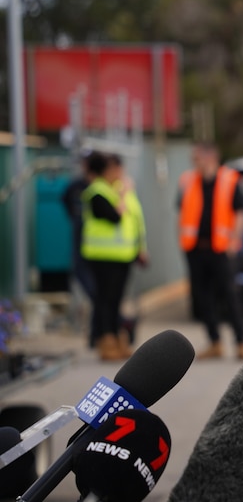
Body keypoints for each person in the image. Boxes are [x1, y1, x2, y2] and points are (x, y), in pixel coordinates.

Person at [177, 141, 243, 360]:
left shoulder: (229, 180)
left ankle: (241, 343)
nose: (194, 162)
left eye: (197, 157)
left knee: (231, 296)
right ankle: (214, 342)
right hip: (195, 249)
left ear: (210, 156)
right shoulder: (188, 180)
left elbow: (240, 213)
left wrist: (233, 241)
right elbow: (181, 212)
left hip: (221, 249)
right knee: (202, 297)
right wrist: (181, 242)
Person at [80, 152, 148, 361]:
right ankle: (105, 340)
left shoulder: (122, 191)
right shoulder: (97, 192)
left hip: (123, 256)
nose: (118, 174)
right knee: (105, 300)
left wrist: (141, 249)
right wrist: (122, 194)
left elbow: (136, 221)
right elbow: (115, 217)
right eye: (113, 170)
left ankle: (119, 340)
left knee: (116, 300)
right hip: (102, 257)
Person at [61, 150, 98, 346]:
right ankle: (98, 335)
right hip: (83, 245)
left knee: (98, 294)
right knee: (94, 292)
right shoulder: (77, 186)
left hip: (98, 250)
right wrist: (75, 217)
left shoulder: (99, 187)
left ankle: (103, 334)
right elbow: (65, 198)